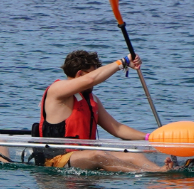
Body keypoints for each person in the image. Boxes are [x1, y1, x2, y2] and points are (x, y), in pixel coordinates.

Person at [32, 50, 169, 172]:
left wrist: (150, 137)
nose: (97, 80)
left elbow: (117, 128)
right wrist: (124, 62)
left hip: (84, 156)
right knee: (98, 155)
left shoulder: (92, 100)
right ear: (80, 74)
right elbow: (90, 79)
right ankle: (151, 173)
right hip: (56, 159)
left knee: (134, 156)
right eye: (94, 72)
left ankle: (161, 171)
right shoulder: (57, 90)